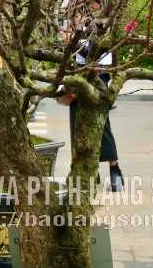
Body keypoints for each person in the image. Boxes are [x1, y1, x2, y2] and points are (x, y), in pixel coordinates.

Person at [58, 12, 123, 191]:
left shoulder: (99, 26)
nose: (73, 19)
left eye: (77, 14)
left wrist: (74, 42)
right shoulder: (72, 32)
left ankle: (115, 169)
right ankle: (89, 170)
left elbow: (100, 55)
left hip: (97, 82)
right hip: (77, 83)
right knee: (77, 126)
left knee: (103, 128)